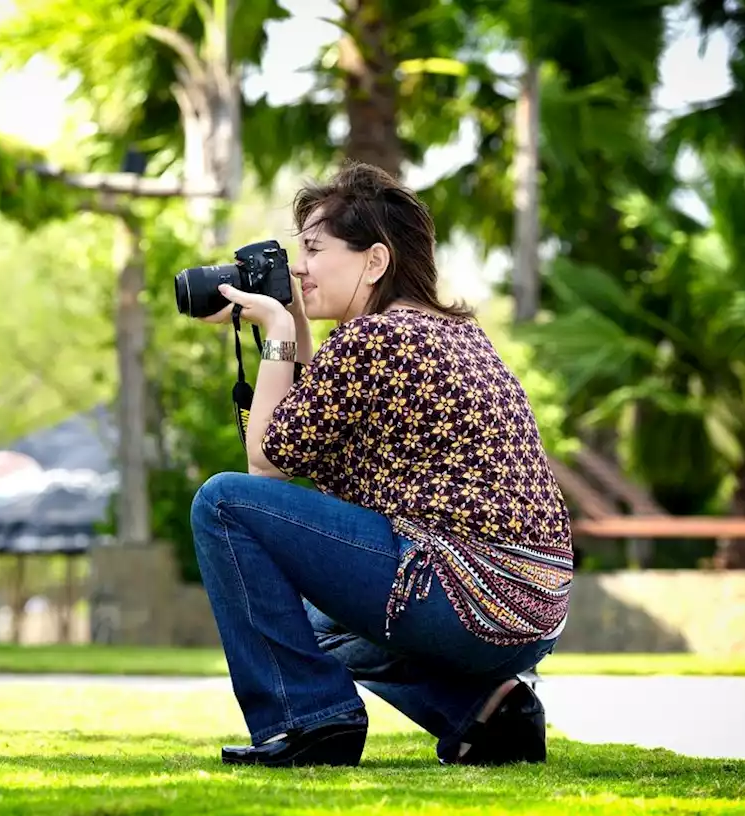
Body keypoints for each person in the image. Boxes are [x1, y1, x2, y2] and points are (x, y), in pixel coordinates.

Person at [190, 161, 573, 768]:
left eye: (314, 250)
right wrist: (290, 319)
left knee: (222, 502)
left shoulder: (374, 340)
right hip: (532, 608)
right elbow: (309, 432)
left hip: (462, 593)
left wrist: (278, 332)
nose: (300, 268)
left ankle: (309, 721)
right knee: (313, 618)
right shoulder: (448, 333)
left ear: (374, 261)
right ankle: (486, 711)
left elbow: (264, 465)